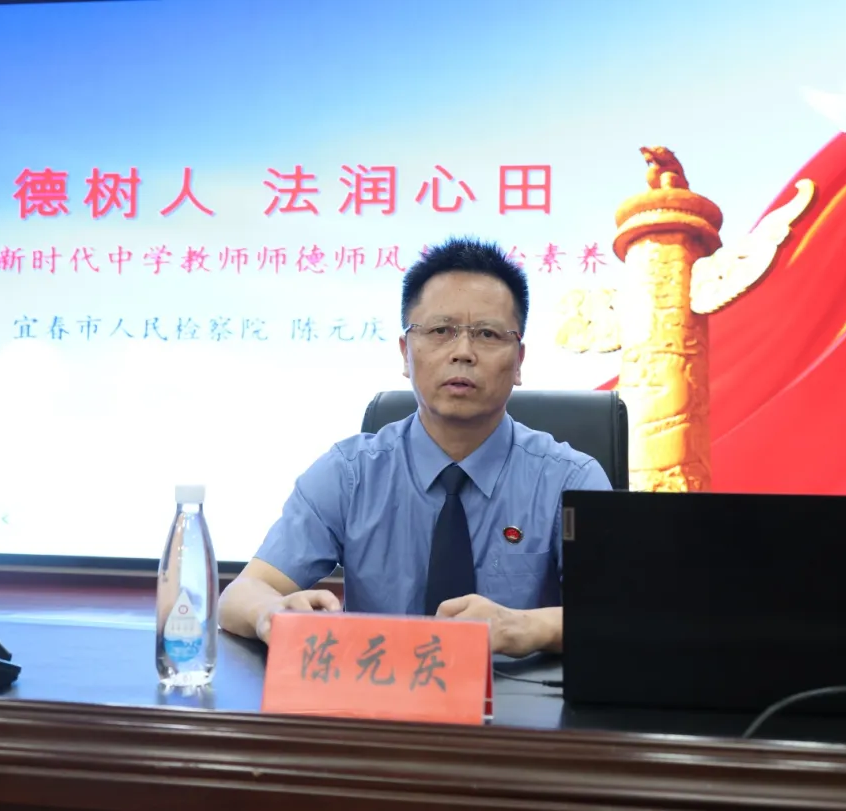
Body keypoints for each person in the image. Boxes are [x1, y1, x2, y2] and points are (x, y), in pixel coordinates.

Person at [219, 237, 612, 657]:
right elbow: (242, 594)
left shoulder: (571, 479)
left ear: (518, 361)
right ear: (405, 353)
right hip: (378, 691)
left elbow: (618, 616)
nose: (463, 352)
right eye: (441, 331)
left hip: (519, 697)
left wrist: (524, 626)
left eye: (487, 334)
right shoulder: (349, 474)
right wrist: (272, 613)